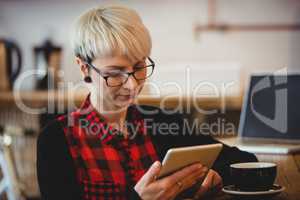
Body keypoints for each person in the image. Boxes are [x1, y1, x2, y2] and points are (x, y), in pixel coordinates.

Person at [36, 5, 257, 200]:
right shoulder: (56, 140)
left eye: (139, 68)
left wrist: (216, 176)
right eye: (114, 73)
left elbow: (245, 162)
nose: (132, 85)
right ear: (84, 67)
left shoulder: (162, 122)